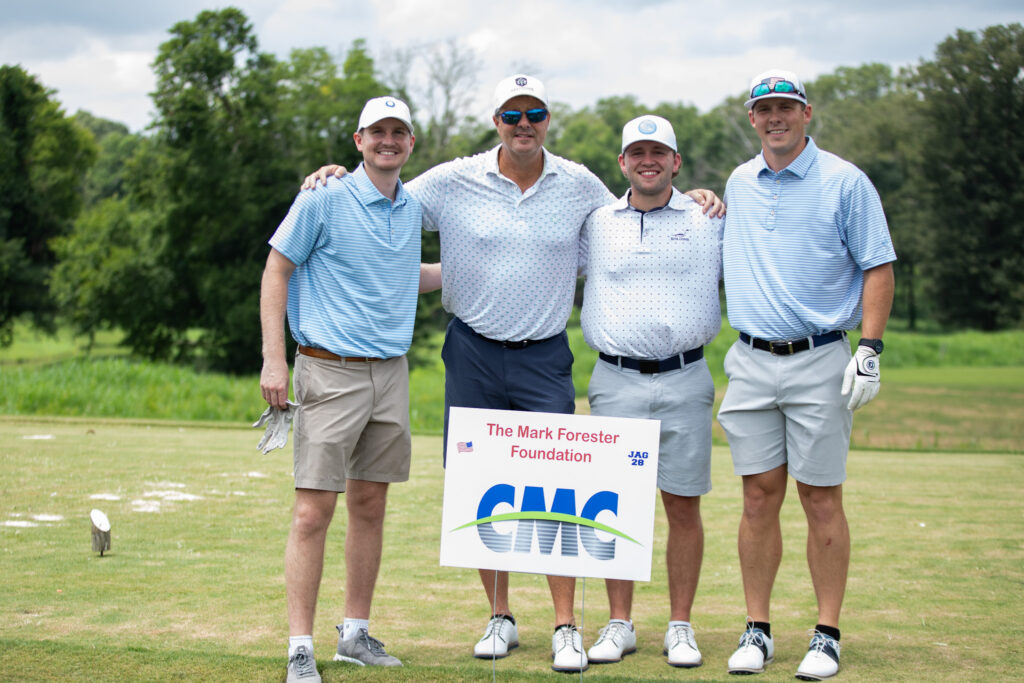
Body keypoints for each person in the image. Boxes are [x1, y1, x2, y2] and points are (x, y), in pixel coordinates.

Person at [303, 74, 723, 673]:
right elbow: (382, 200)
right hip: (471, 349)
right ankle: (499, 615)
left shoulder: (580, 184)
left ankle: (566, 625)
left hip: (545, 354)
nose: (523, 123)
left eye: (535, 113)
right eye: (511, 113)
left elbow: (634, 215)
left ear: (547, 120)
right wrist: (334, 180)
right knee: (482, 486)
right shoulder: (453, 179)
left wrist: (699, 196)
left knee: (562, 490)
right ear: (496, 120)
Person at [717, 69, 896, 680]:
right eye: (765, 109)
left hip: (820, 357)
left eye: (786, 108)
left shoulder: (846, 181)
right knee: (757, 497)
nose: (776, 118)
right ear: (752, 118)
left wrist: (868, 348)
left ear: (806, 113)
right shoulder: (739, 182)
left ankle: (826, 634)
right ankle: (758, 629)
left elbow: (877, 267)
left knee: (821, 497)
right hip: (750, 359)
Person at [260, 96, 436, 683]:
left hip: (390, 373)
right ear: (358, 140)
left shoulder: (411, 208)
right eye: (377, 132)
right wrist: (274, 360)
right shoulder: (323, 196)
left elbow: (403, 275)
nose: (389, 141)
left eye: (399, 133)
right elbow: (277, 268)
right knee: (314, 511)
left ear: (411, 143)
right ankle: (300, 647)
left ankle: (354, 634)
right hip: (327, 369)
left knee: (370, 505)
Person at [578, 115, 722, 669]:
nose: (648, 160)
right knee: (617, 507)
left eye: (658, 151)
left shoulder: (709, 218)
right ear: (622, 162)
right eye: (637, 152)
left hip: (686, 376)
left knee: (683, 505)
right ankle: (620, 623)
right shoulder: (596, 222)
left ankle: (680, 626)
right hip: (615, 378)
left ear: (676, 162)